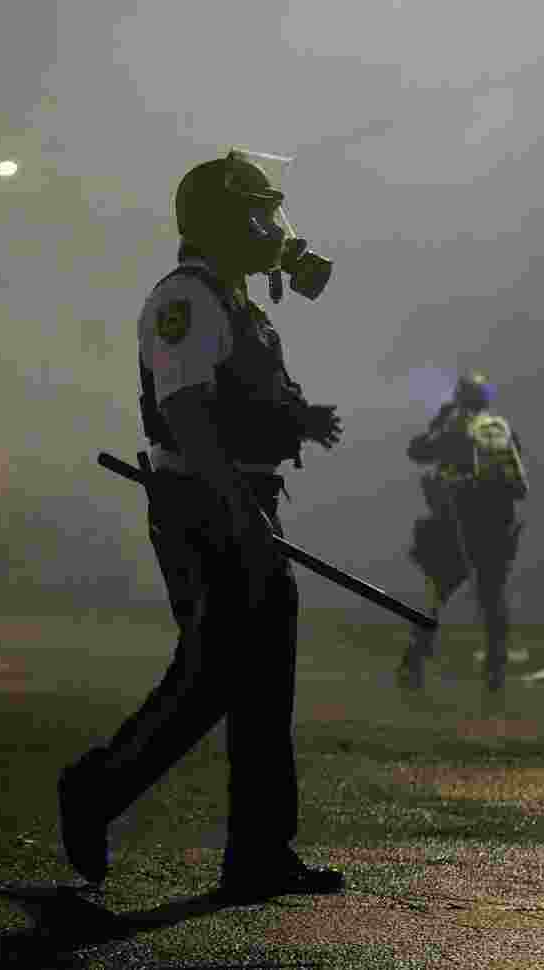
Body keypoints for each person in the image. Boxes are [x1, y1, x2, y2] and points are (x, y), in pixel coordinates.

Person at [58, 151, 346, 902]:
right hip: (205, 504)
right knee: (214, 674)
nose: (273, 228)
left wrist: (297, 420)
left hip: (243, 499)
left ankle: (259, 853)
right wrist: (238, 508)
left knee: (263, 683)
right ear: (223, 221)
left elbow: (237, 398)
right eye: (259, 213)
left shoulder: (234, 299)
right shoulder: (185, 298)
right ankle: (94, 789)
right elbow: (186, 412)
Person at [397, 371, 528, 692]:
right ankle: (495, 670)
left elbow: (418, 451)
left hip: (458, 525)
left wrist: (438, 424)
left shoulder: (454, 425)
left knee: (436, 592)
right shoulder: (500, 427)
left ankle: (415, 660)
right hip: (498, 527)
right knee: (493, 598)